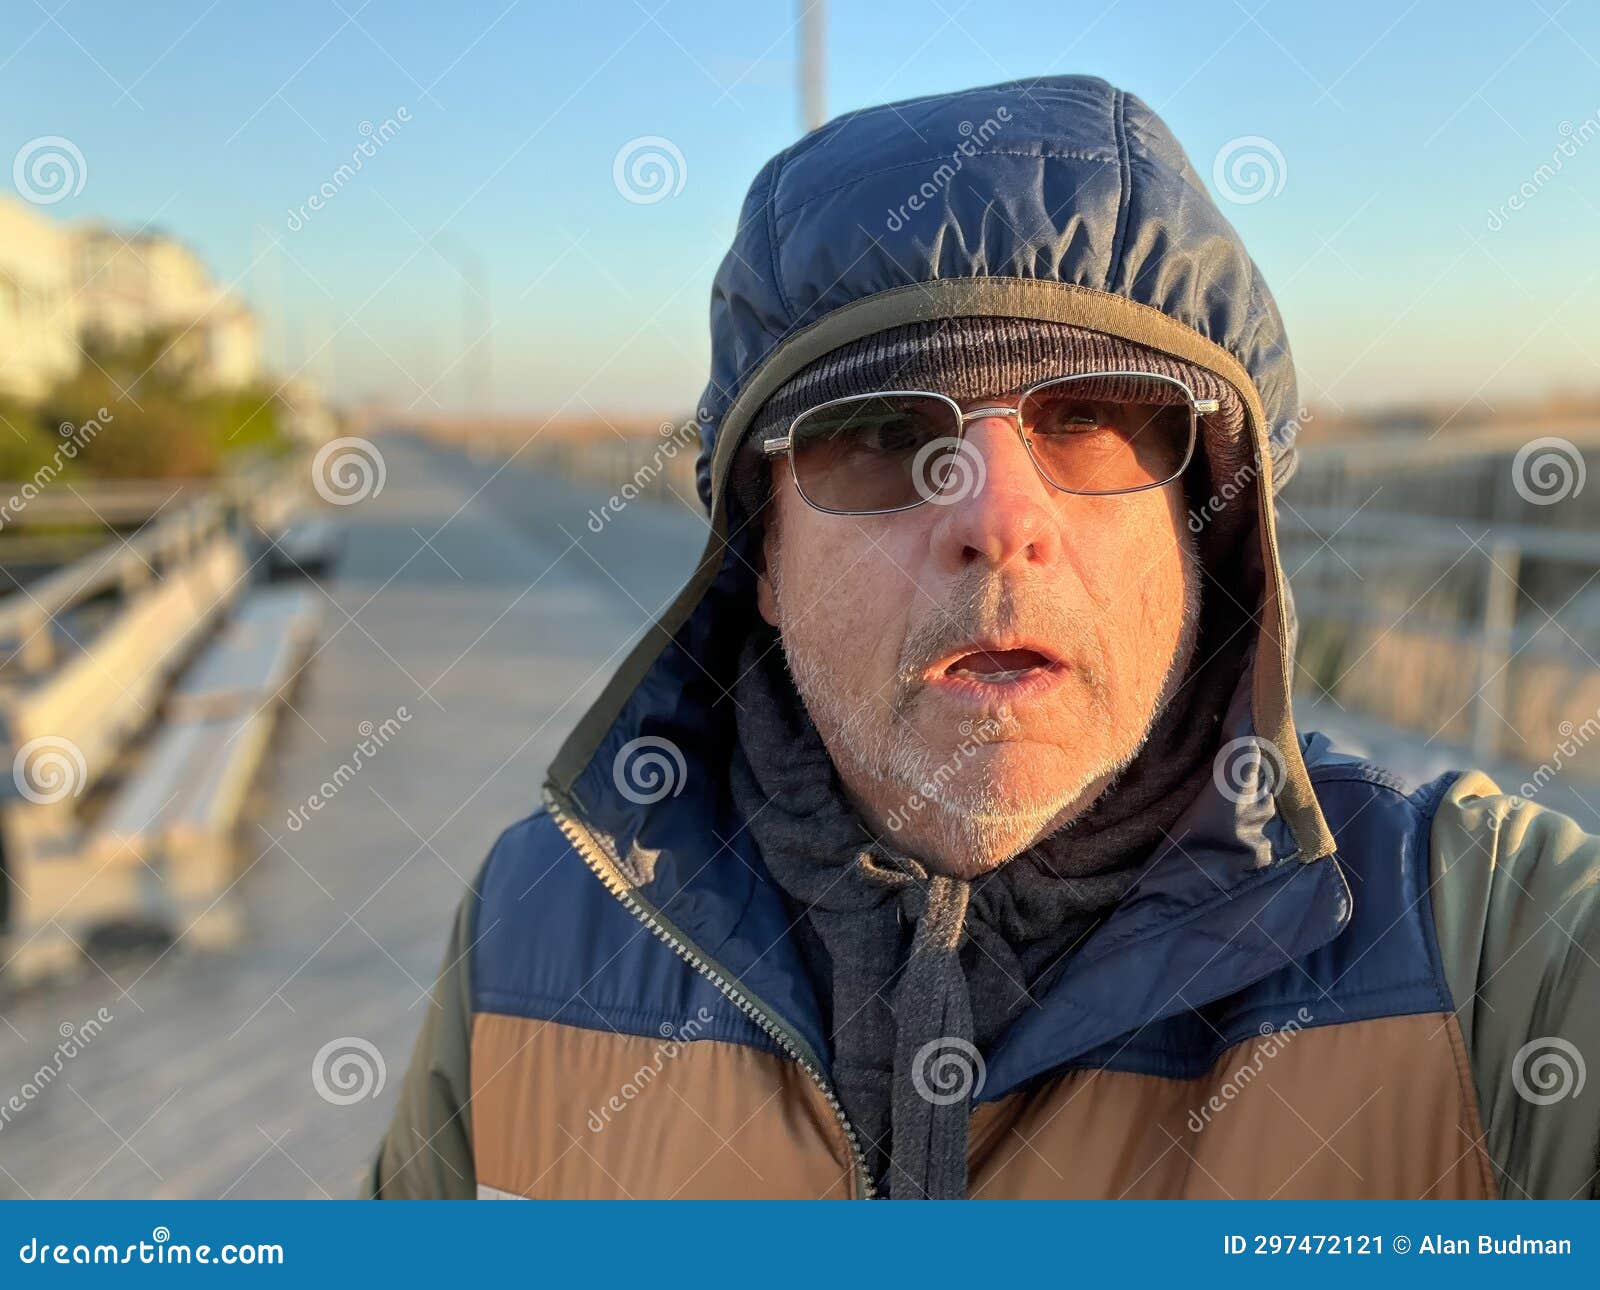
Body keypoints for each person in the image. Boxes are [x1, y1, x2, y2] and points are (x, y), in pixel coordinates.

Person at [371, 75, 1600, 1200]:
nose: (998, 516)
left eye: (1095, 417)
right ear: (762, 563)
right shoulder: (537, 929)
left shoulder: (1487, 945)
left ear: (1203, 528)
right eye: (879, 430)